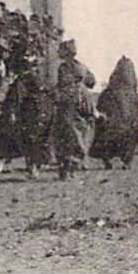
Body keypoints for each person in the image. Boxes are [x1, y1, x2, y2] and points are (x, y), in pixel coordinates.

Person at [90, 56, 138, 169]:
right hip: (127, 134)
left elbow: (99, 111)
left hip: (108, 134)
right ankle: (127, 162)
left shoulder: (106, 94)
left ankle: (106, 160)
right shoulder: (133, 97)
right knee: (133, 130)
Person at [49, 39, 96, 179]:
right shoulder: (82, 66)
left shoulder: (63, 68)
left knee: (64, 133)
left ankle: (67, 166)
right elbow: (92, 82)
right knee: (83, 130)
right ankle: (77, 162)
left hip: (68, 102)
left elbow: (62, 85)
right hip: (84, 101)